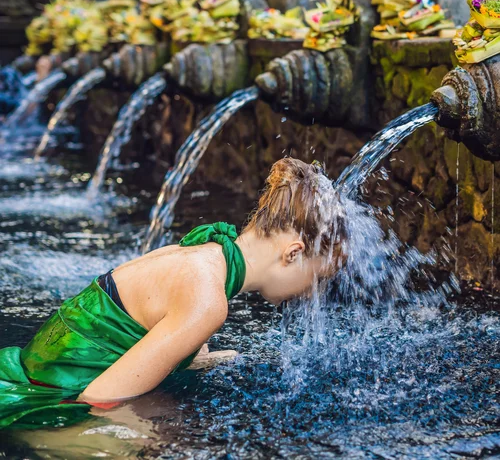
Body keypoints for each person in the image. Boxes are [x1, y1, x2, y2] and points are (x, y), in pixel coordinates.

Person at [0, 157, 345, 428]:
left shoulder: (200, 254)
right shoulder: (208, 302)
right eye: (317, 278)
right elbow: (100, 400)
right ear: (294, 253)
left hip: (33, 368)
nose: (311, 294)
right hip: (44, 401)